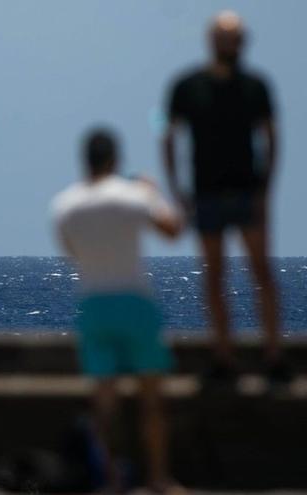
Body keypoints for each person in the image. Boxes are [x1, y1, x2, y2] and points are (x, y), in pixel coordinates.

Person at [52, 129, 183, 493]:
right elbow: (173, 229)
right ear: (114, 159)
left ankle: (107, 478)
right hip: (133, 300)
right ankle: (157, 477)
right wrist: (153, 190)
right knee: (151, 398)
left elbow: (71, 250)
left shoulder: (66, 205)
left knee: (103, 404)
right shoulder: (133, 197)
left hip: (93, 304)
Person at [162, 11, 290, 385]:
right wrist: (177, 189)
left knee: (262, 272)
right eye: (223, 37)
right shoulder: (187, 87)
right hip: (207, 193)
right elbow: (169, 135)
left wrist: (266, 189)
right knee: (214, 277)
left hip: (248, 192)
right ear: (211, 40)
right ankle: (223, 357)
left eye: (235, 37)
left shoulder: (256, 87)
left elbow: (271, 136)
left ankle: (274, 355)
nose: (229, 44)